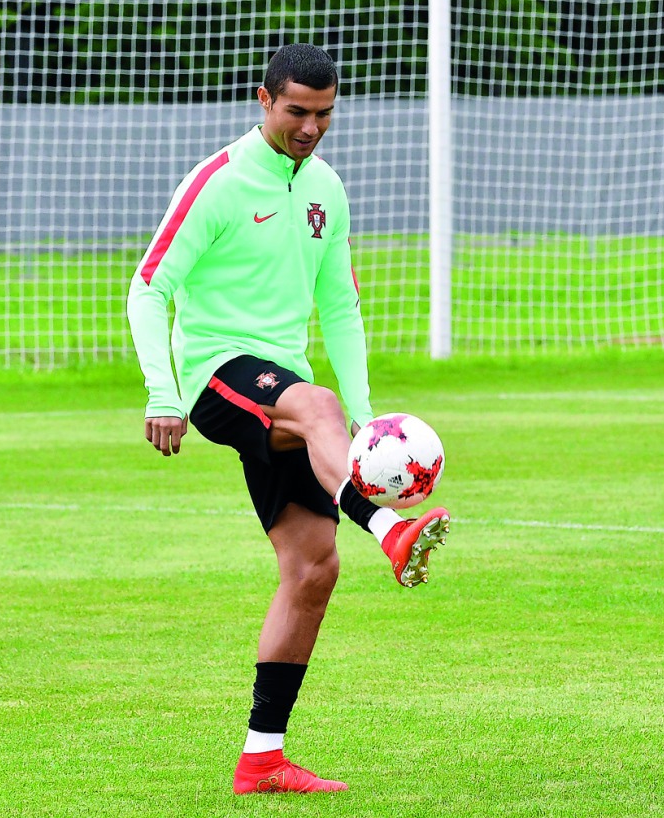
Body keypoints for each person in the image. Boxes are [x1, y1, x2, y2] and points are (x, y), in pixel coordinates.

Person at [126, 43, 450, 795]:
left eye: (325, 113)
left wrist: (368, 428)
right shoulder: (217, 182)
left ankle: (262, 758)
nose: (311, 127)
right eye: (298, 111)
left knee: (312, 569)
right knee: (315, 403)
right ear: (264, 99)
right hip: (216, 374)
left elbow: (339, 305)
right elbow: (149, 287)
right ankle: (389, 530)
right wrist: (163, 392)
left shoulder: (328, 191)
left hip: (289, 393)